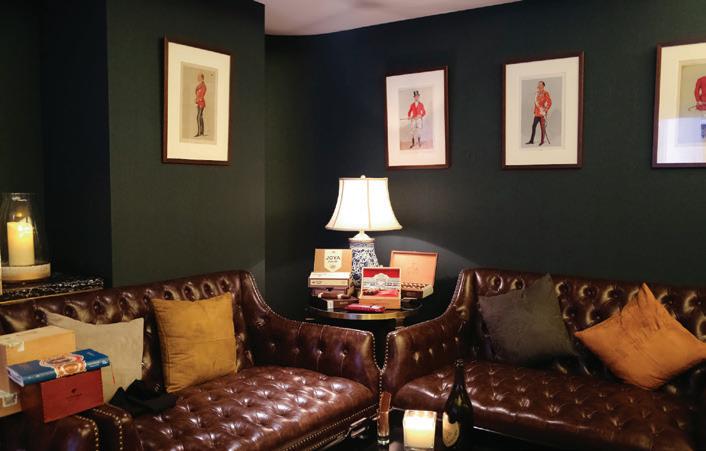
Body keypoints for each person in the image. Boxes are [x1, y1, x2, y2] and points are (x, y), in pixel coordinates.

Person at [526, 81, 552, 146]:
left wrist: (546, 109)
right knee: (533, 126)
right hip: (537, 113)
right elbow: (536, 102)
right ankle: (531, 140)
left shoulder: (546, 93)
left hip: (542, 113)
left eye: (540, 85)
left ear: (543, 86)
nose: (539, 86)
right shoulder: (537, 93)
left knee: (542, 128)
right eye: (538, 85)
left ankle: (542, 141)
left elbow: (549, 102)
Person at [194, 73, 207, 137]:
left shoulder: (203, 85)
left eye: (199, 77)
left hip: (201, 102)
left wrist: (197, 100)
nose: (198, 78)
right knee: (200, 117)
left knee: (198, 117)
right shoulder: (199, 85)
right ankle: (202, 132)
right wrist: (196, 99)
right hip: (199, 102)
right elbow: (197, 93)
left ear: (202, 78)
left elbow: (202, 95)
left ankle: (199, 132)